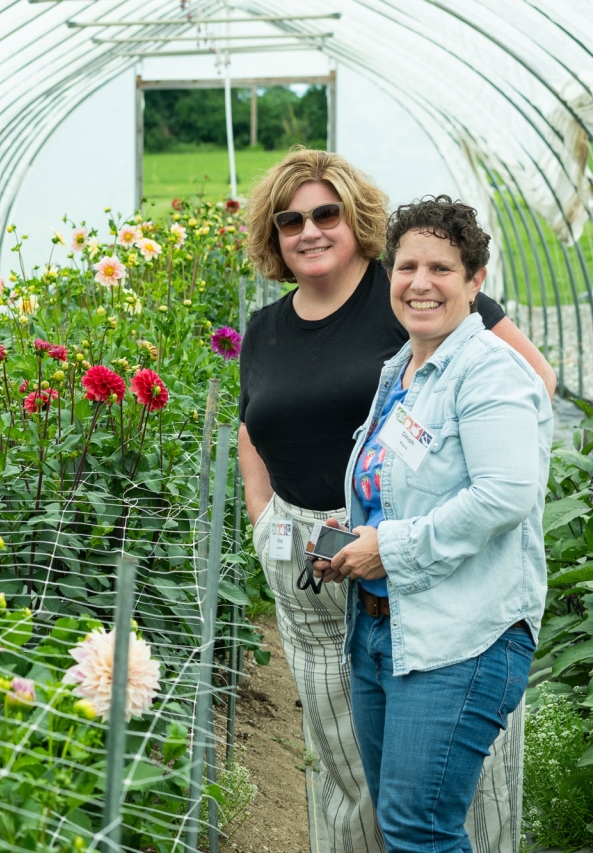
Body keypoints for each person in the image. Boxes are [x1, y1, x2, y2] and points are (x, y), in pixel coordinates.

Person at [238, 148, 555, 853]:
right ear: (273, 232)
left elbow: (523, 414)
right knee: (352, 769)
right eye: (292, 218)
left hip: (432, 579)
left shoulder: (428, 316)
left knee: (440, 799)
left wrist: (400, 536)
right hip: (327, 564)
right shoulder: (346, 350)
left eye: (327, 213)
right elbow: (252, 427)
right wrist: (269, 520)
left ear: (358, 221)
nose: (310, 229)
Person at [314, 196, 549, 851]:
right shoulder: (404, 370)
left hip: (461, 637)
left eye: (441, 268)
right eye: (406, 265)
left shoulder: (489, 372)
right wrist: (350, 535)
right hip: (384, 631)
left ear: (475, 282)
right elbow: (398, 483)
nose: (420, 282)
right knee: (404, 824)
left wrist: (388, 547)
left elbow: (505, 494)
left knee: (420, 828)